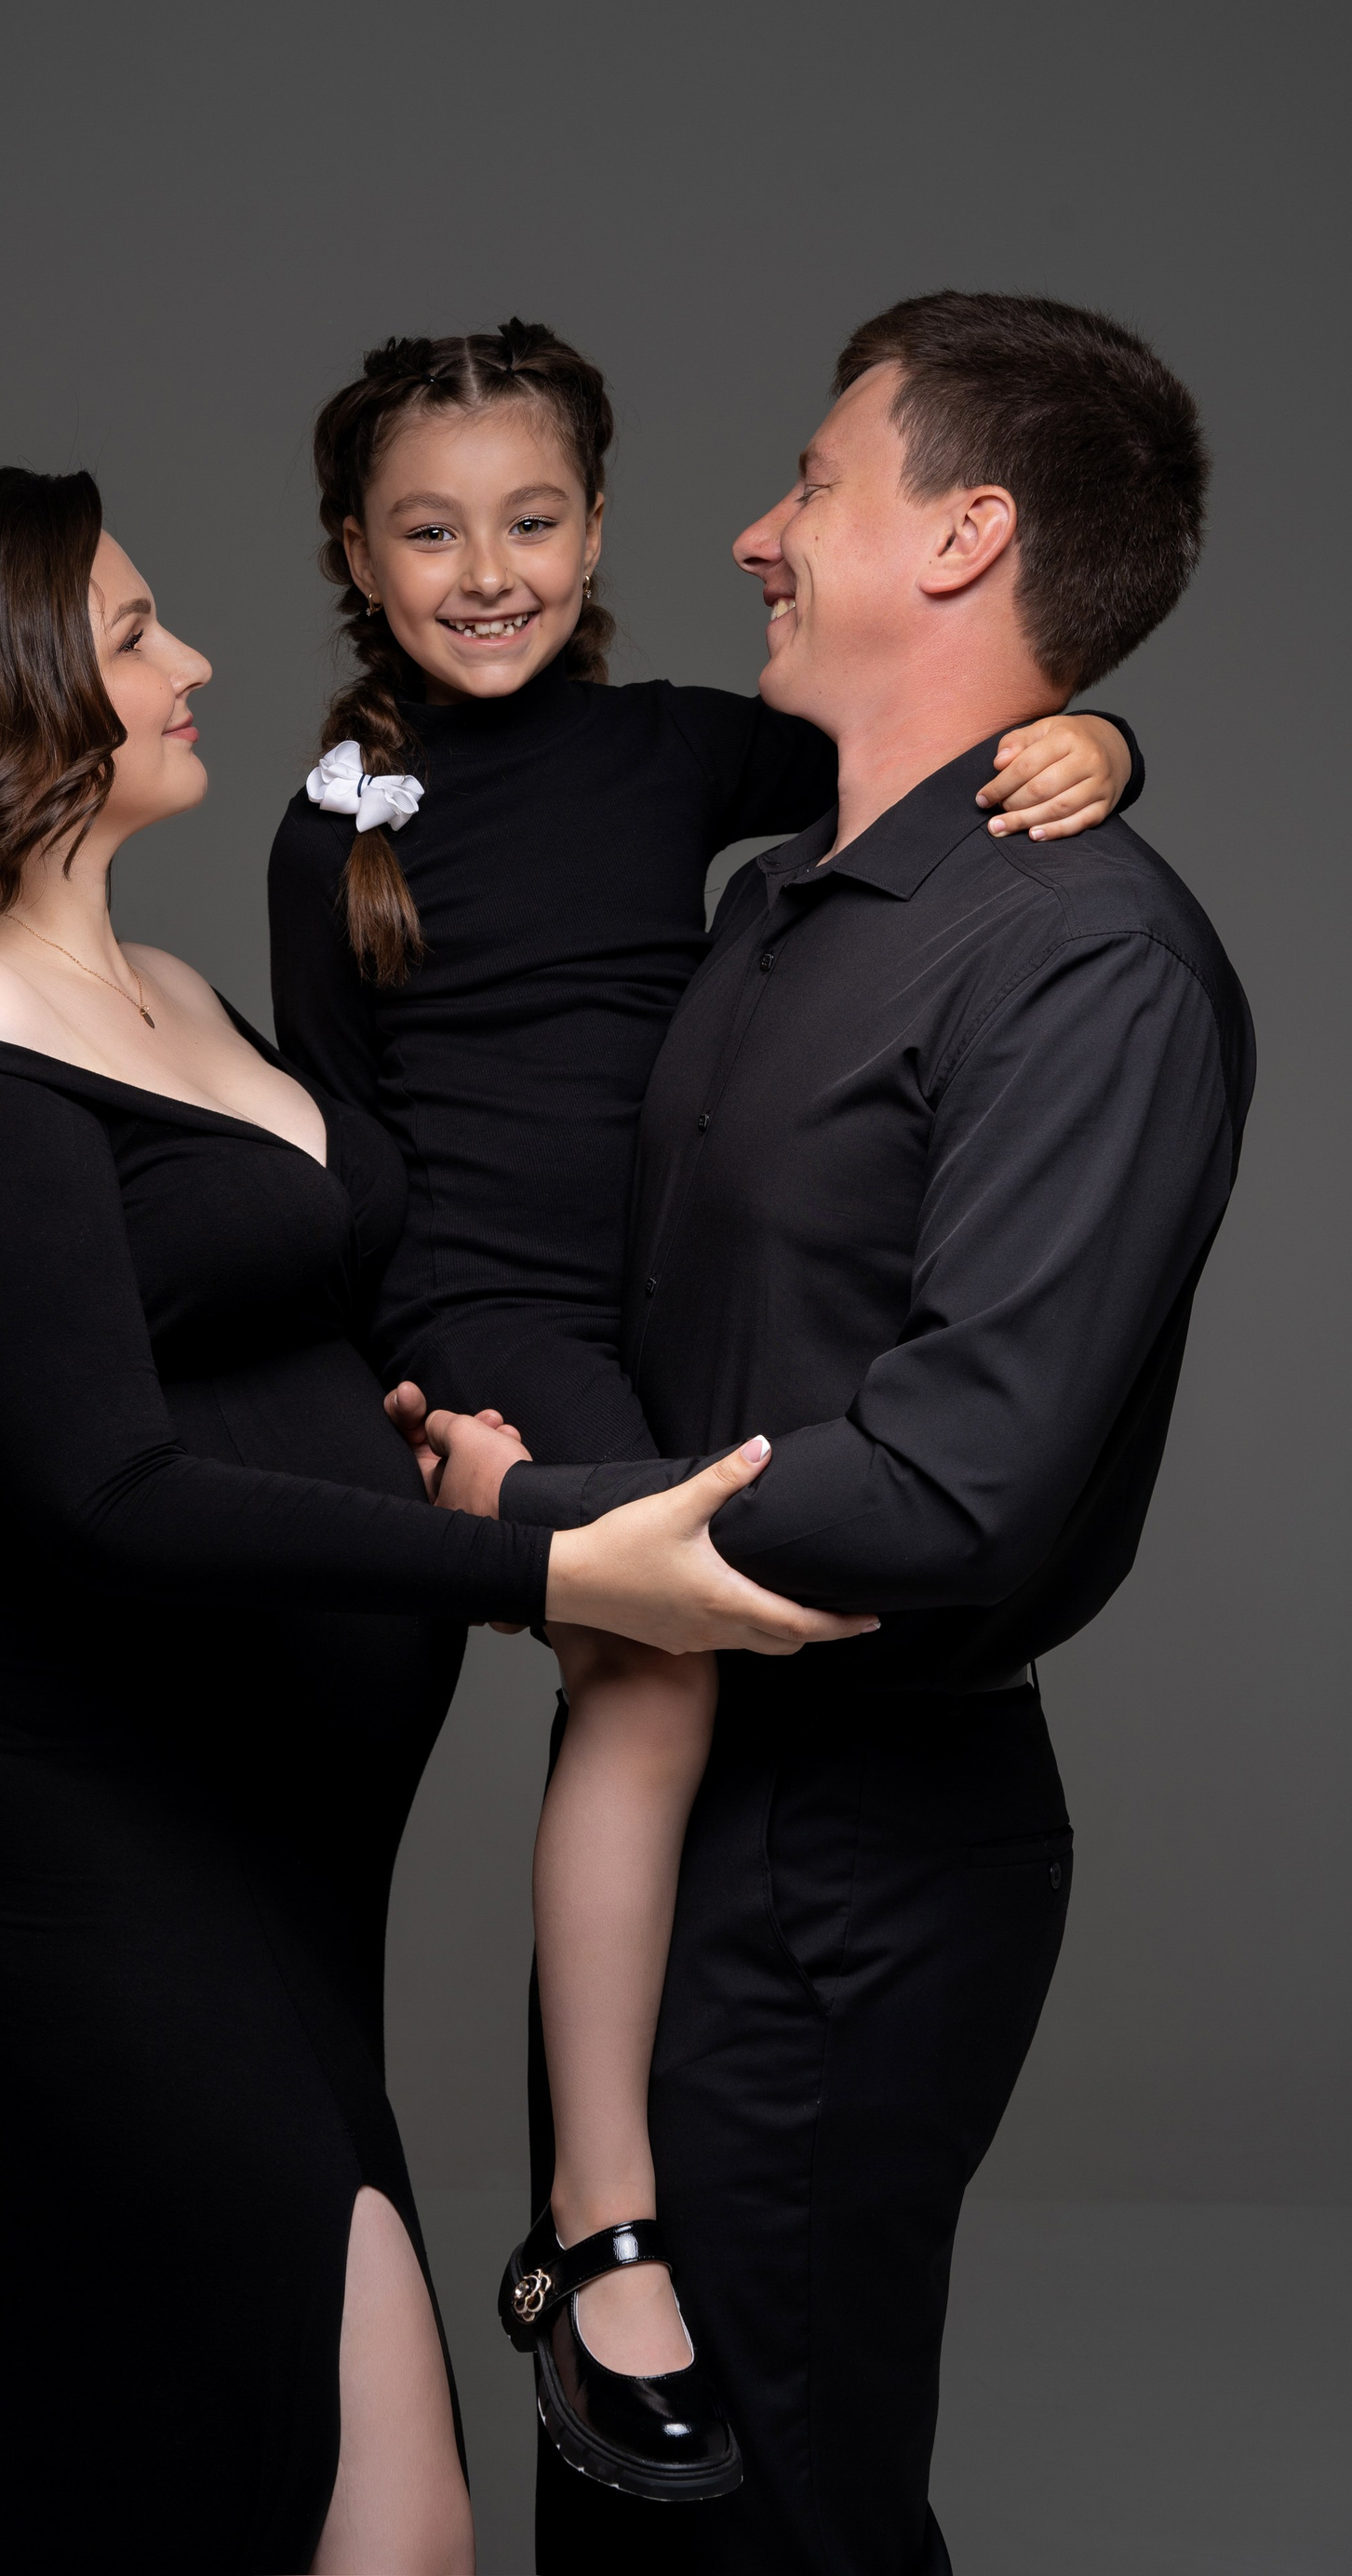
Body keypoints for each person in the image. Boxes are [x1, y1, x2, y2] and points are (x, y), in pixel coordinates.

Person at [0, 467, 873, 2576]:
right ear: (3, 687)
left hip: (289, 1850)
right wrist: (547, 1565)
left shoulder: (181, 989)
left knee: (145, 2467)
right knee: (383, 2491)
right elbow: (100, 1488)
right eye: (136, 633)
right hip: (80, 1837)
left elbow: (241, 1356)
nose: (199, 661)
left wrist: (407, 1443)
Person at [419, 291, 1255, 2574]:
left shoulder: (1090, 958)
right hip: (657, 1794)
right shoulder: (767, 903)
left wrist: (535, 1522)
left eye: (813, 481)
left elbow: (956, 1483)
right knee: (627, 2506)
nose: (754, 532)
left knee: (770, 2512)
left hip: (853, 1855)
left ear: (966, 536)